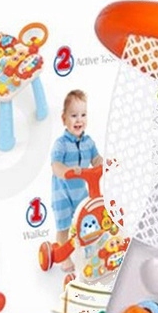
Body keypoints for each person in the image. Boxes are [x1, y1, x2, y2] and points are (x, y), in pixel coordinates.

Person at [49, 89, 102, 233]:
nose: (79, 120)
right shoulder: (61, 144)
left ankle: (85, 245)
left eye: (83, 115)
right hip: (62, 195)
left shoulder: (88, 142)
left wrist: (104, 163)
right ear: (64, 119)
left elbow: (96, 159)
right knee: (64, 228)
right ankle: (62, 247)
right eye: (74, 116)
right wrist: (67, 171)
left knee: (85, 223)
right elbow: (55, 166)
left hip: (81, 193)